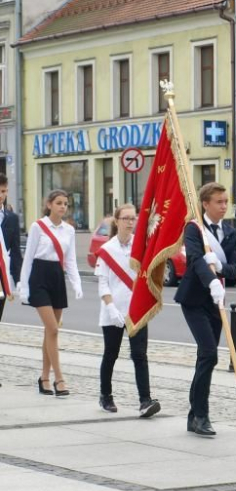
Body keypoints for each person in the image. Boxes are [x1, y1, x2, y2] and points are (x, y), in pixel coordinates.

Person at [175, 182, 236, 436]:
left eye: (226, 202)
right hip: (194, 299)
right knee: (209, 353)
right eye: (219, 202)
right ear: (205, 204)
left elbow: (234, 271)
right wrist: (211, 280)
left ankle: (194, 414)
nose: (224, 206)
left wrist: (221, 270)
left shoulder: (231, 232)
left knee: (206, 358)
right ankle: (201, 415)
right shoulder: (194, 229)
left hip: (217, 301)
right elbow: (194, 259)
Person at [95, 204, 161, 418]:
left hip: (136, 310)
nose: (130, 222)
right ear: (117, 221)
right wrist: (111, 307)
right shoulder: (107, 250)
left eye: (133, 218)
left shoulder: (140, 246)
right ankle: (106, 395)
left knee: (140, 355)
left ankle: (145, 400)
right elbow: (103, 283)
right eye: (126, 218)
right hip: (112, 310)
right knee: (111, 354)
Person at [19, 190, 83, 396]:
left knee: (50, 332)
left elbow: (71, 260)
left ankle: (44, 378)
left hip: (57, 277)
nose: (63, 207)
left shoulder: (69, 231)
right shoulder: (38, 226)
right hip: (39, 276)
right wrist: (24, 287)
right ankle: (59, 379)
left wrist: (77, 283)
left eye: (66, 204)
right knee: (53, 329)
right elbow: (28, 257)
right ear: (49, 205)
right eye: (58, 203)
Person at [0, 173, 22, 323]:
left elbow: (15, 251)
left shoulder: (12, 218)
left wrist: (19, 279)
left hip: (2, 276)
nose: (2, 195)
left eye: (4, 191)